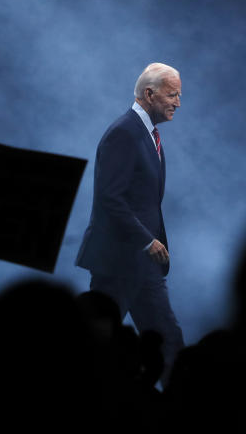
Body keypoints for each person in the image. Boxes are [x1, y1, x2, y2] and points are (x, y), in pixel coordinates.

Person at [75, 62, 185, 378]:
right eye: (173, 95)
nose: (178, 103)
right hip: (118, 262)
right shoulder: (123, 133)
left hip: (143, 266)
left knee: (169, 342)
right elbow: (110, 198)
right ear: (149, 94)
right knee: (94, 348)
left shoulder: (146, 134)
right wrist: (146, 240)